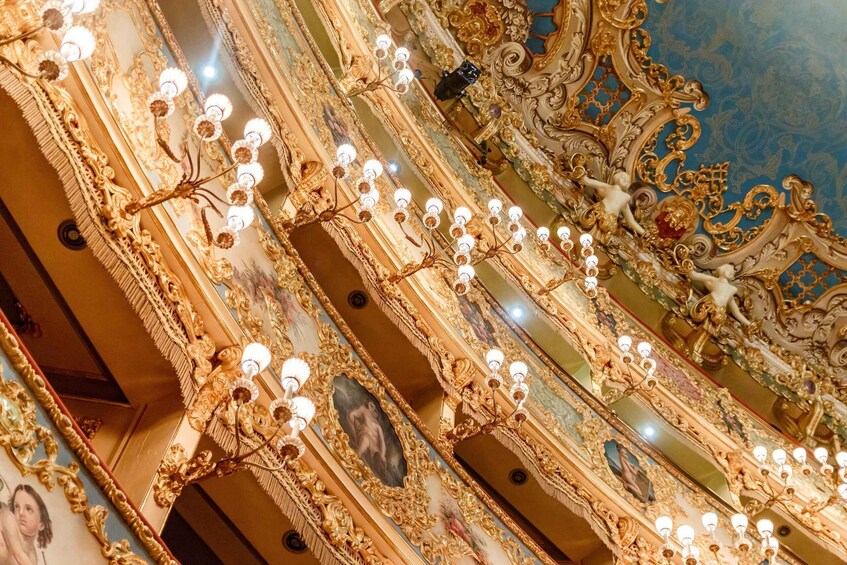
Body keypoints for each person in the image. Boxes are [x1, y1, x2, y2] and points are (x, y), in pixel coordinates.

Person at [580, 170, 645, 236]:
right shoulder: (608, 187)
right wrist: (580, 173)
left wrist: (643, 233)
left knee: (599, 236)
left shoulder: (626, 198)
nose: (625, 180)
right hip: (599, 212)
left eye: (627, 180)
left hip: (611, 222)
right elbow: (589, 182)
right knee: (588, 229)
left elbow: (631, 220)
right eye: (623, 177)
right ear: (617, 177)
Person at [0, 484, 52, 565]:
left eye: (28, 509)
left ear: (41, 525)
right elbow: (19, 554)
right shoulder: (8, 517)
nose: (20, 513)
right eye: (17, 506)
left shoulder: (32, 557)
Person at [347, 400, 388, 476]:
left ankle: (375, 471)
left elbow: (382, 442)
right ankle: (356, 457)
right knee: (365, 438)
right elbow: (353, 414)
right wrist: (352, 416)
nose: (373, 410)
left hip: (374, 448)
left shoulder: (378, 425)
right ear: (368, 405)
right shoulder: (364, 410)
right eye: (371, 406)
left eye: (375, 410)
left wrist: (382, 454)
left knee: (377, 460)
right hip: (364, 436)